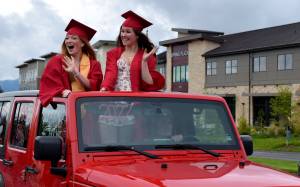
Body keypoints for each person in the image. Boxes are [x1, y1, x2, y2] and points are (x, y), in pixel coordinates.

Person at [39, 19, 103, 107]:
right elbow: (48, 84)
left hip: (89, 111)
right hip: (65, 110)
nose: (69, 41)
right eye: (67, 38)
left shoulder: (94, 65)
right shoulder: (56, 61)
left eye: (74, 38)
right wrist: (62, 91)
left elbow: (95, 87)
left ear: (82, 44)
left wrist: (76, 72)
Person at [100, 10, 165, 92]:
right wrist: (105, 87)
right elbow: (110, 74)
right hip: (115, 98)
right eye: (122, 31)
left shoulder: (147, 57)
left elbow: (148, 84)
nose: (123, 35)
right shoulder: (113, 54)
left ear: (137, 36)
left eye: (128, 32)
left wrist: (144, 62)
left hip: (135, 99)